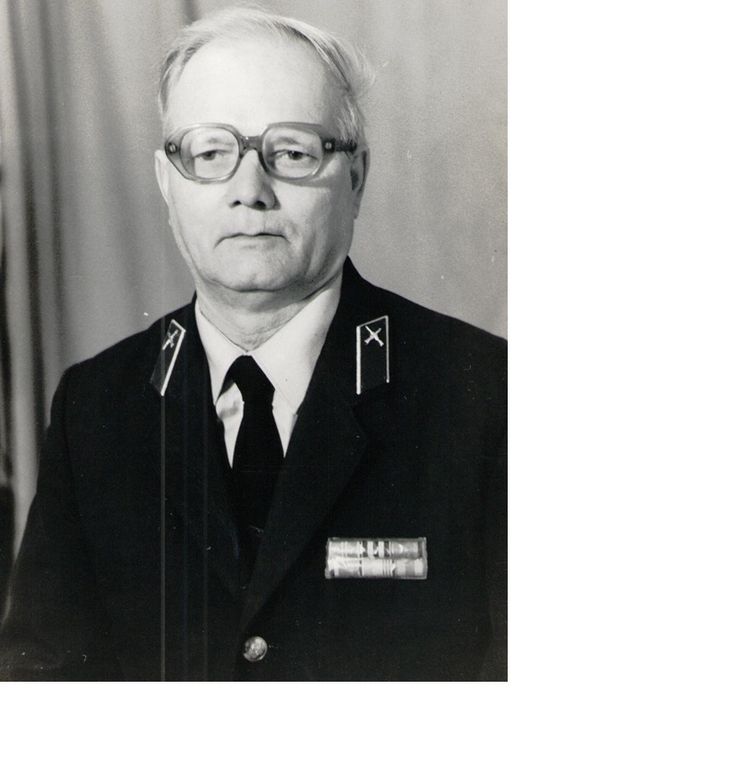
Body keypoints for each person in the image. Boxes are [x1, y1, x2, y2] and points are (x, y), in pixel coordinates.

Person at [0, 6, 506, 681]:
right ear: (166, 183)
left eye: (292, 152)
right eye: (210, 153)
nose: (249, 192)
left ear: (356, 177)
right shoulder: (96, 408)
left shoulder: (486, 396)